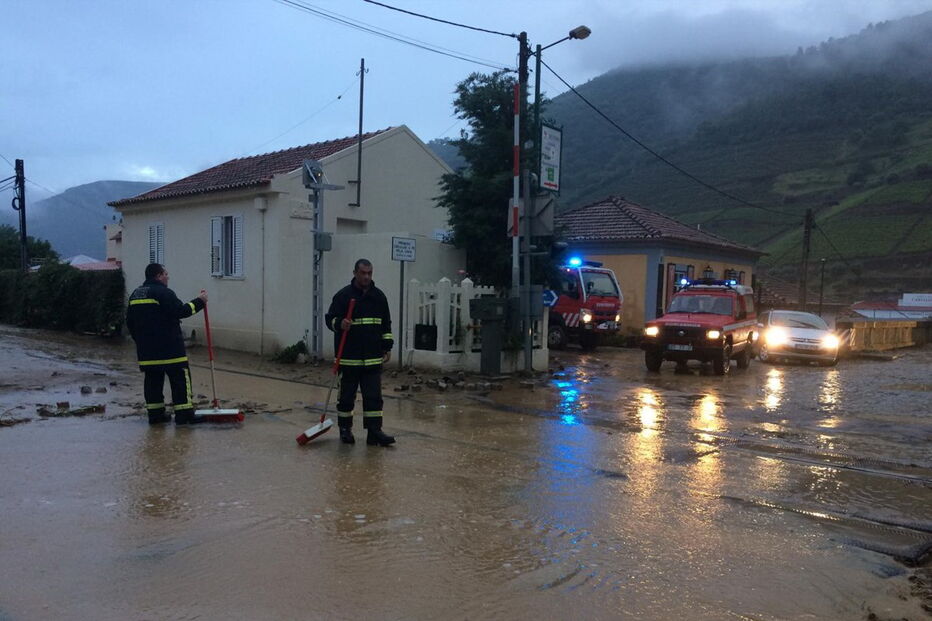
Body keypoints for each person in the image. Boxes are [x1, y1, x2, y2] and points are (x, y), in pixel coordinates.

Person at [126, 263, 208, 425]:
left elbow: (129, 322)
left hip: (147, 351)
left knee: (153, 382)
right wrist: (200, 301)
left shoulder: (135, 294)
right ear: (158, 276)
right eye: (165, 274)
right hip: (171, 349)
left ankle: (155, 416)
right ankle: (184, 415)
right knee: (180, 380)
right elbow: (181, 311)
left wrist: (141, 341)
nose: (168, 277)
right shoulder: (163, 292)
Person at [325, 258, 395, 446]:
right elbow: (329, 319)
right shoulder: (343, 296)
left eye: (369, 273)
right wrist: (340, 323)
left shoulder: (379, 297)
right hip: (349, 358)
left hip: (372, 358)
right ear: (355, 273)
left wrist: (387, 345)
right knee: (346, 397)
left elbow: (386, 324)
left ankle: (374, 431)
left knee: (374, 398)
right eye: (363, 273)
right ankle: (345, 429)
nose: (366, 277)